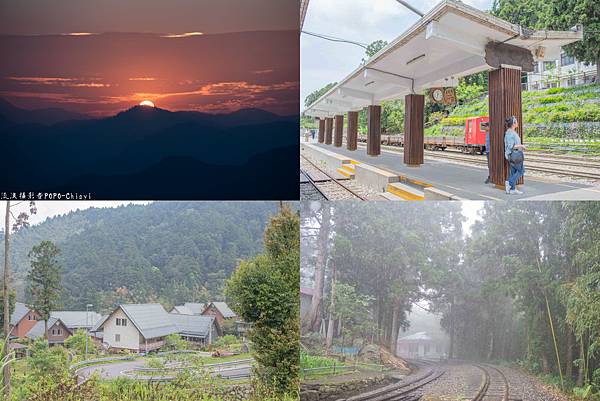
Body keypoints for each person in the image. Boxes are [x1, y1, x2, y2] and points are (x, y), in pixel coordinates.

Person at [504, 116, 526, 195]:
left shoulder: (510, 132)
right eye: (516, 121)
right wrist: (522, 146)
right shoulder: (510, 133)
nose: (517, 123)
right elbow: (511, 146)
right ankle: (509, 183)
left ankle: (512, 189)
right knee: (521, 171)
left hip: (513, 155)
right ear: (513, 123)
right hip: (515, 155)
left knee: (513, 172)